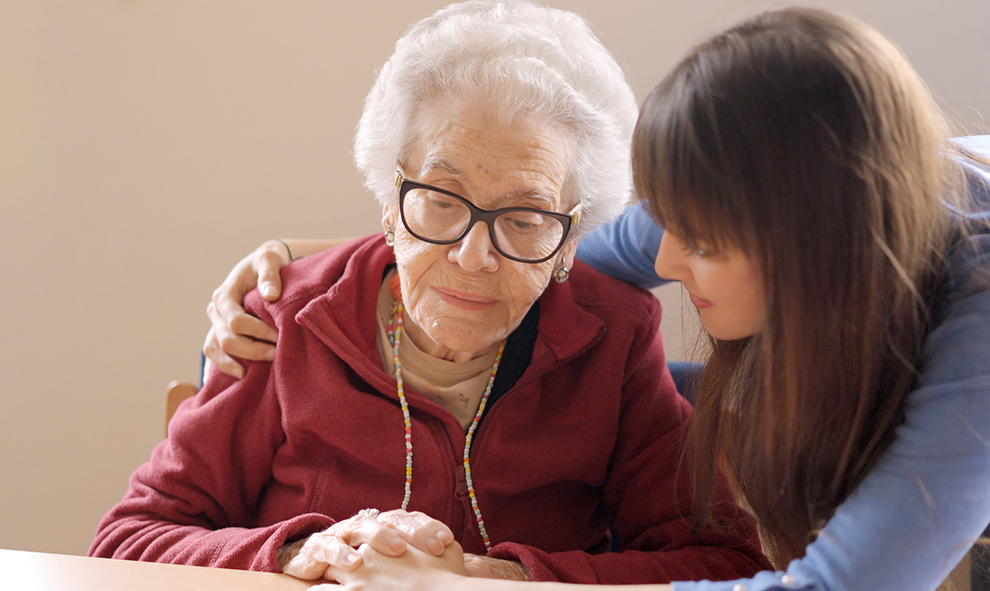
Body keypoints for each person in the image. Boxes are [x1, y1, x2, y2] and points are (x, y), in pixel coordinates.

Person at [208, 7, 990, 591]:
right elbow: (533, 251)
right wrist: (292, 268)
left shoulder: (978, 327)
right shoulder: (786, 200)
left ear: (820, 244)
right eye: (670, 221)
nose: (667, 256)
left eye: (705, 241)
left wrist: (479, 581)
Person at [89, 0, 769, 586]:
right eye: (441, 201)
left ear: (569, 241)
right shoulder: (284, 318)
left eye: (525, 217)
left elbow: (719, 562)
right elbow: (126, 539)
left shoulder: (614, 336)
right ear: (391, 200)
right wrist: (300, 552)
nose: (474, 257)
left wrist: (494, 576)